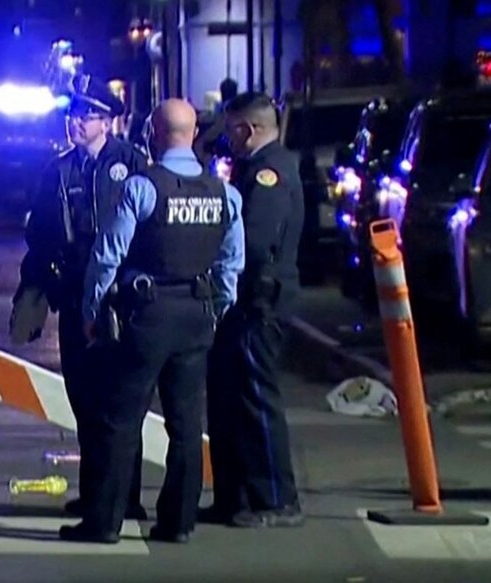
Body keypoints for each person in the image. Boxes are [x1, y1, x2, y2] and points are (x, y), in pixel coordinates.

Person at [70, 98, 244, 544]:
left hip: (147, 315)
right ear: (193, 134)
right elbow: (231, 263)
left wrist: (92, 312)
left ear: (154, 133)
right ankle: (179, 522)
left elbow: (108, 254)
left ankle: (104, 522)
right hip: (197, 313)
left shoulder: (142, 188)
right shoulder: (223, 192)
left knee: (121, 419)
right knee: (186, 424)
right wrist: (217, 308)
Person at [12, 76, 149, 520]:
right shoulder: (59, 169)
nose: (75, 122)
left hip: (120, 300)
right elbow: (41, 234)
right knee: (84, 400)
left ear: (107, 122)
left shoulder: (131, 163)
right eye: (72, 115)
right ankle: (95, 493)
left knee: (120, 403)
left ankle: (124, 497)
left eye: (86, 116)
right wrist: (31, 294)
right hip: (74, 297)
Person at [205, 92, 305, 528]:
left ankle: (276, 499)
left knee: (256, 401)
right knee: (229, 402)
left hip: (258, 304)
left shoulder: (269, 173)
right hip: (243, 304)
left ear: (248, 129)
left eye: (231, 130)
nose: (228, 139)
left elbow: (254, 239)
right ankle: (236, 497)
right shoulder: (254, 169)